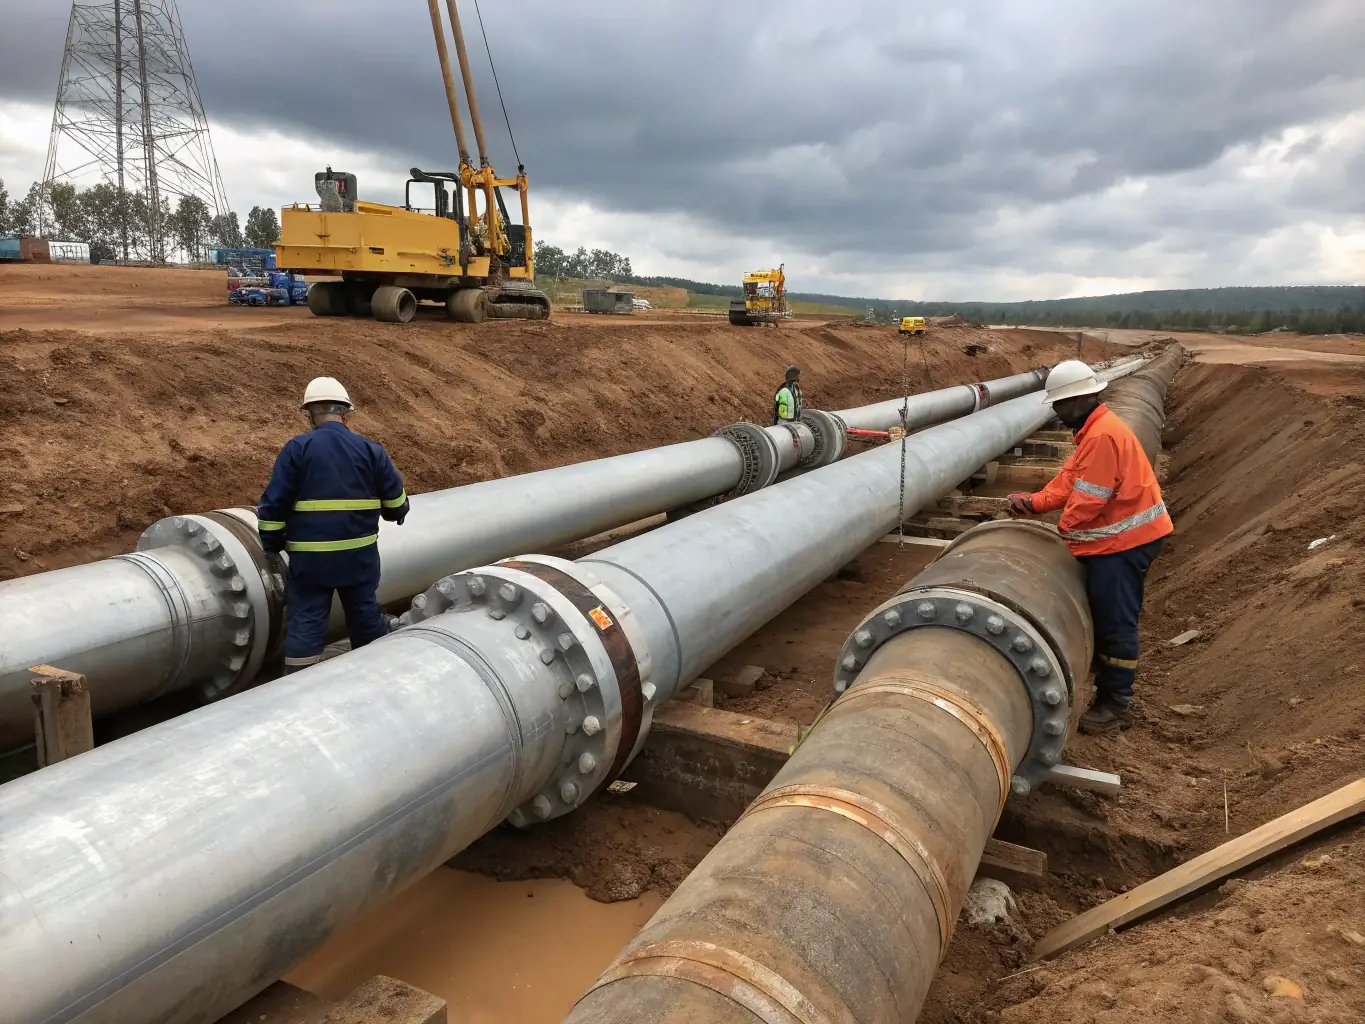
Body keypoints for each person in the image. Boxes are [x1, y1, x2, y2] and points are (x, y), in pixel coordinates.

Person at [1007, 360, 1173, 735]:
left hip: (1127, 543)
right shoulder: (1093, 431)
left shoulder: (1102, 437)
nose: (1056, 410)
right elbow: (1069, 480)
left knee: (1116, 622)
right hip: (1122, 538)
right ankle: (1110, 687)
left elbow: (1089, 499)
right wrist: (1034, 503)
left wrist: (1061, 530)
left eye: (1060, 403)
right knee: (1107, 614)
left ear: (1081, 399)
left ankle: (1116, 704)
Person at [257, 377, 410, 673]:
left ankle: (298, 685)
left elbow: (273, 506)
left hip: (311, 562)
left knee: (307, 622)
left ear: (310, 414)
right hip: (359, 559)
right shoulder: (370, 450)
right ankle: (372, 677)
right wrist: (398, 511)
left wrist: (272, 545)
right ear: (346, 412)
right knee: (365, 616)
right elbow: (395, 504)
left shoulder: (297, 449)